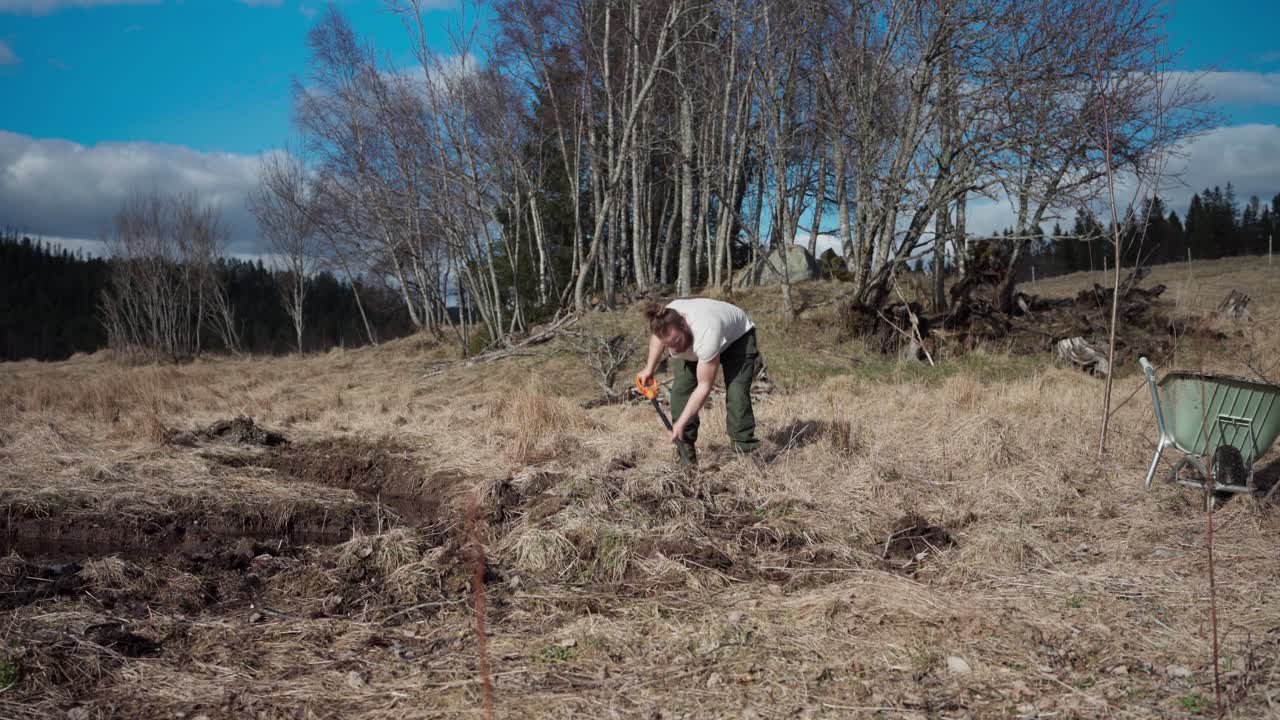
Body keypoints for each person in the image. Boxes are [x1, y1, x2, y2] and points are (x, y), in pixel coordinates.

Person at [636, 298, 761, 465]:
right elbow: (658, 339)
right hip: (699, 337)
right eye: (669, 346)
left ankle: (744, 451)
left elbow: (704, 387)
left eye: (676, 342)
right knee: (681, 392)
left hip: (738, 338)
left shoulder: (705, 333)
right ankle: (686, 456)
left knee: (736, 393)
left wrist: (679, 423)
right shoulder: (664, 320)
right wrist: (649, 368)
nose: (675, 350)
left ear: (685, 326)